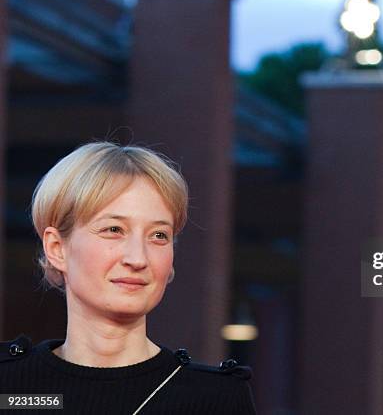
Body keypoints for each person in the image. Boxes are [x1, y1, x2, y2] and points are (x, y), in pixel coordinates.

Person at [0, 142, 257, 414]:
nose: (138, 259)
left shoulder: (216, 400)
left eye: (159, 235)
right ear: (56, 248)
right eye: (114, 229)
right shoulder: (10, 389)